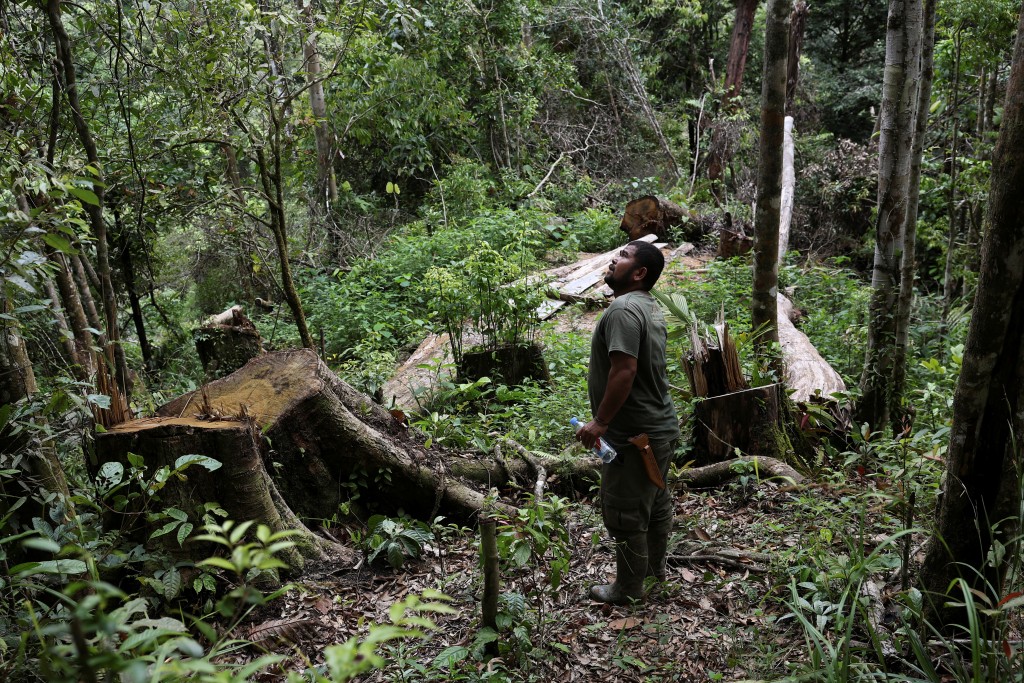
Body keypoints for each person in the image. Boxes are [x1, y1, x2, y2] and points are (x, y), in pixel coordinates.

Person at [575, 240, 679, 605]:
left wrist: (600, 422)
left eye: (622, 257)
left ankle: (628, 589)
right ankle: (653, 573)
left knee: (624, 511)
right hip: (658, 429)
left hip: (634, 435)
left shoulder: (623, 308)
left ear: (638, 273)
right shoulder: (648, 307)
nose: (612, 261)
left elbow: (625, 370)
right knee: (654, 502)